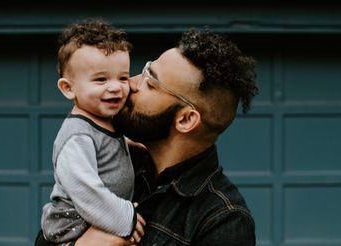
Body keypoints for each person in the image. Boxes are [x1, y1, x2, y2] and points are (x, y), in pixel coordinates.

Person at [37, 27, 258, 245]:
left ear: (185, 120)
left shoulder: (222, 220)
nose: (128, 84)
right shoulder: (117, 159)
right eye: (142, 71)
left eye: (149, 82)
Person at [38, 18, 145, 245]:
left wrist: (128, 144)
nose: (115, 86)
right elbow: (85, 190)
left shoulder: (105, 121)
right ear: (68, 88)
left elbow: (105, 145)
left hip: (96, 219)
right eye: (100, 79)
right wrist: (126, 217)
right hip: (72, 226)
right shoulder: (77, 136)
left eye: (123, 77)